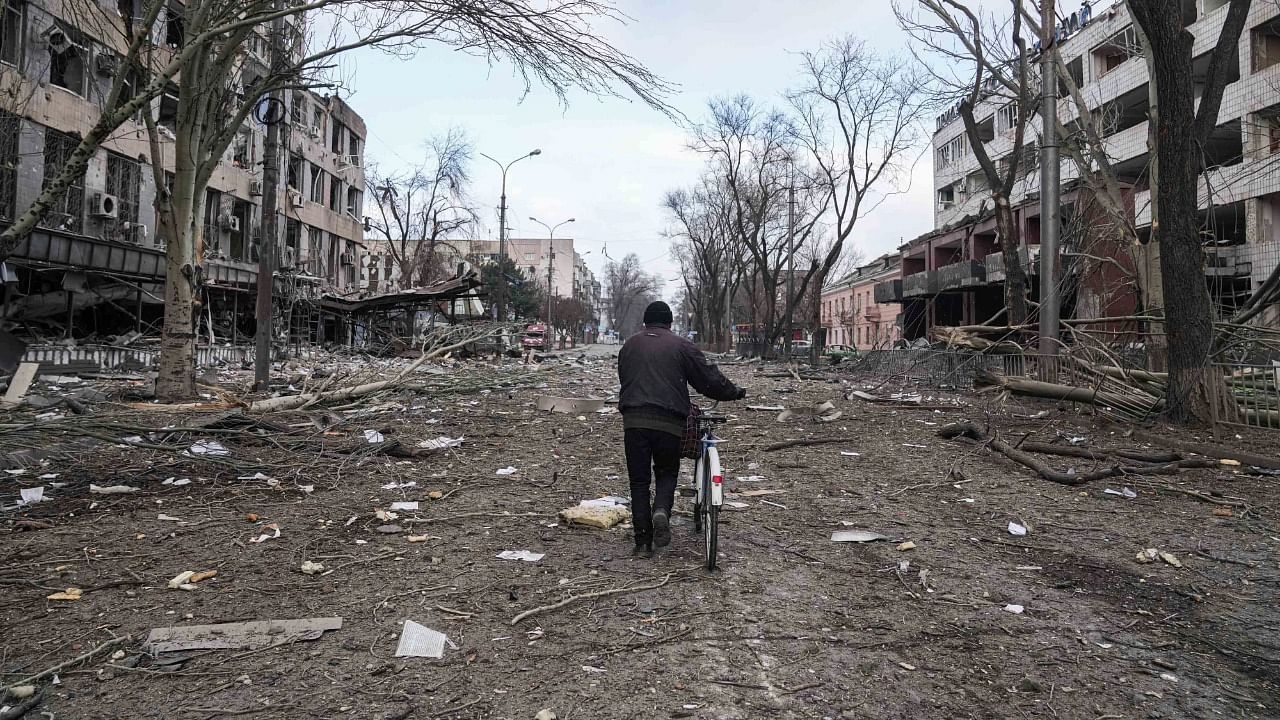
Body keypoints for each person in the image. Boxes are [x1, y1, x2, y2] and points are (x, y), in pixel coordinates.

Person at [617, 301, 746, 558]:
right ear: (670, 322)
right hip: (669, 421)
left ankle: (642, 542)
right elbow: (707, 379)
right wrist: (733, 392)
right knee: (666, 471)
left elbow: (625, 377)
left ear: (645, 321)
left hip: (634, 421)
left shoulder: (629, 345)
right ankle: (661, 510)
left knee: (639, 480)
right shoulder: (681, 346)